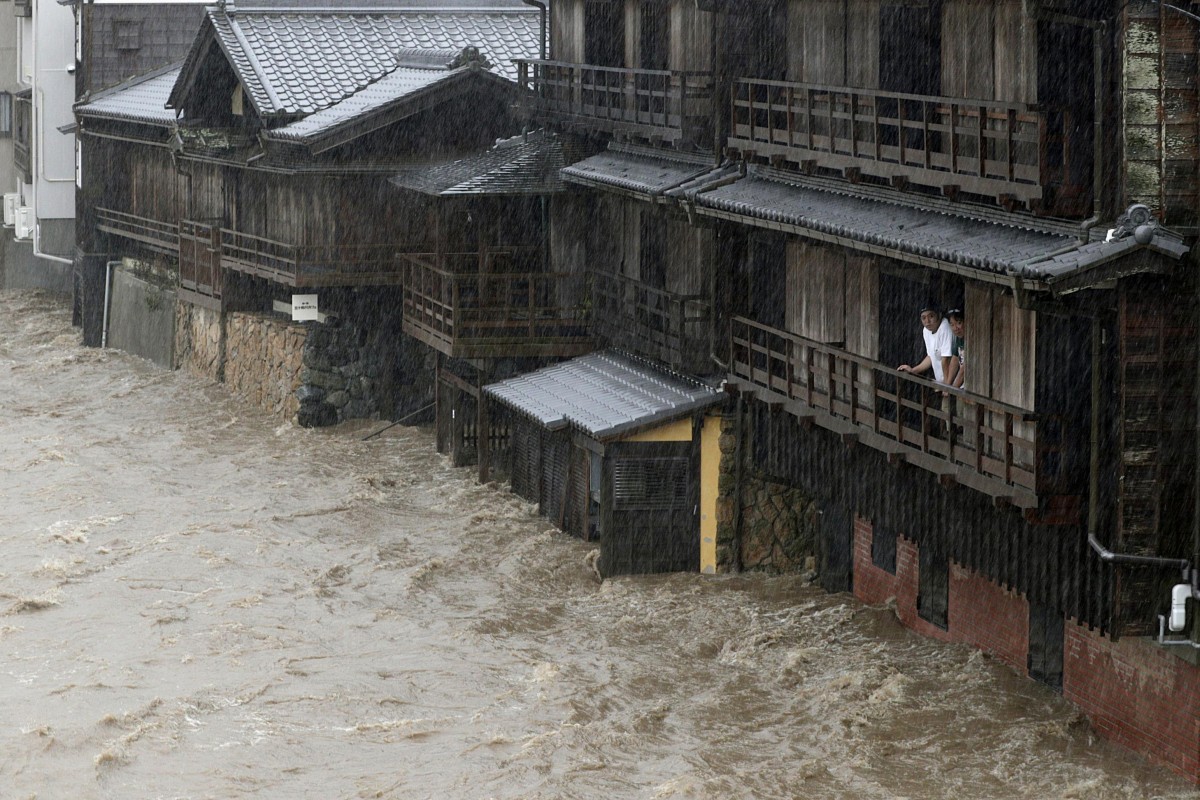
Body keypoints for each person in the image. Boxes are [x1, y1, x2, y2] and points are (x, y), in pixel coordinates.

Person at [898, 304, 954, 384]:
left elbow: (946, 359)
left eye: (931, 316)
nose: (927, 321)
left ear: (939, 315)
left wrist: (947, 385)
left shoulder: (945, 327)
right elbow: (931, 356)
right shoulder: (926, 330)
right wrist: (913, 370)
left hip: (954, 382)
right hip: (942, 382)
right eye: (923, 318)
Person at [946, 308, 965, 389]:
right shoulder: (958, 338)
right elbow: (955, 359)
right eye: (952, 324)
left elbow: (965, 368)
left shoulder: (973, 339)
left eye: (959, 323)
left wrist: (953, 388)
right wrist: (947, 385)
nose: (955, 328)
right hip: (962, 387)